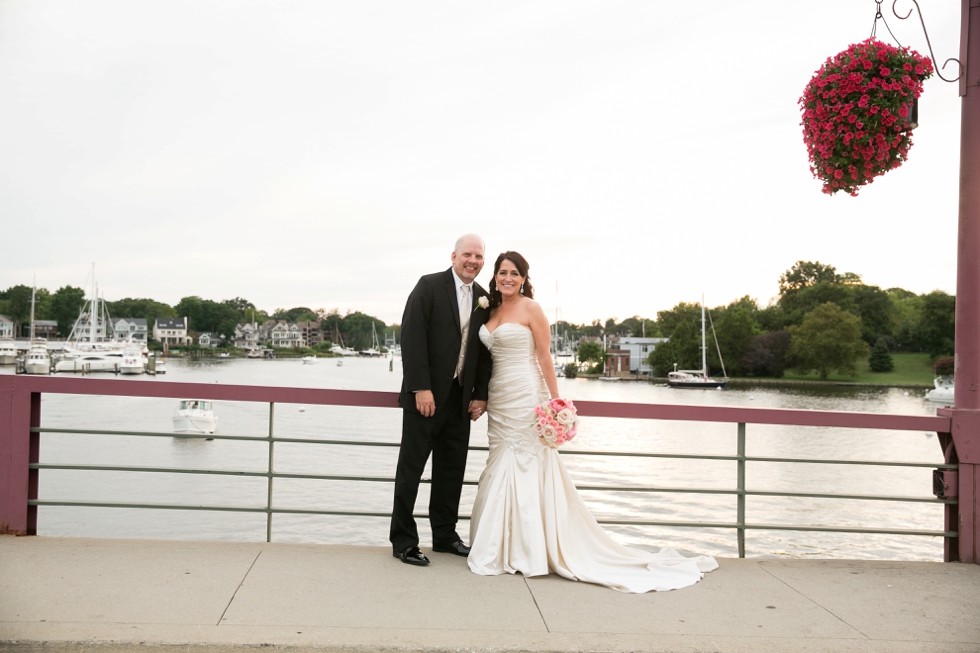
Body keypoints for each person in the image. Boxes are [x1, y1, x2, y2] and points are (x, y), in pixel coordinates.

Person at [467, 251, 718, 592]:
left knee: (526, 464)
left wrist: (556, 402)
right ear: (494, 276)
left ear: (524, 278)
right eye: (501, 273)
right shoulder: (489, 309)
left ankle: (529, 549)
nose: (507, 278)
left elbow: (544, 356)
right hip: (500, 398)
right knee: (499, 463)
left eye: (514, 273)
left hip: (527, 393)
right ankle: (501, 544)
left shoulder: (531, 309)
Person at [390, 234, 493, 566]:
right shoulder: (429, 286)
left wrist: (480, 395)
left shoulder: (483, 298)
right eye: (467, 254)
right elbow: (412, 335)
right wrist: (421, 387)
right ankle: (404, 541)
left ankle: (445, 536)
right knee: (411, 469)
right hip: (426, 399)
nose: (472, 261)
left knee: (452, 471)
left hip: (460, 402)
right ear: (453, 256)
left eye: (478, 256)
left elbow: (483, 352)